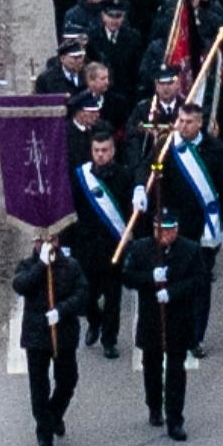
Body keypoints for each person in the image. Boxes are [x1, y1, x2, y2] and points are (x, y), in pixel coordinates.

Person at [123, 210, 210, 438]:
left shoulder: (190, 250)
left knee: (176, 371)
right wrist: (150, 278)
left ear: (176, 230)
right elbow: (128, 277)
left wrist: (172, 292)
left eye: (168, 230)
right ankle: (154, 406)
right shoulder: (141, 248)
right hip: (151, 319)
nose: (163, 235)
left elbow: (199, 281)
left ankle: (175, 419)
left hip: (178, 319)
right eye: (159, 230)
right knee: (151, 366)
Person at [161, 101, 223, 356]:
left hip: (205, 227)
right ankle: (174, 330)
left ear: (200, 123)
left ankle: (196, 336)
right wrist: (142, 186)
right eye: (180, 121)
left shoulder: (215, 149)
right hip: (176, 227)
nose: (182, 126)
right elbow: (149, 169)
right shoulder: (169, 147)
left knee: (200, 284)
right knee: (174, 280)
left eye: (188, 122)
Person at [13, 234, 89, 446]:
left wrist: (62, 310)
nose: (46, 244)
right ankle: (44, 433)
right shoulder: (27, 265)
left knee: (67, 381)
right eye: (40, 240)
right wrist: (41, 266)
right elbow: (20, 285)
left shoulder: (70, 266)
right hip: (36, 336)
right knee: (39, 388)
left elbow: (82, 293)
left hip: (63, 334)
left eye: (51, 240)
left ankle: (54, 414)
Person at [69, 125, 133, 355]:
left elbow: (129, 213)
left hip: (113, 247)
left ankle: (109, 340)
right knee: (86, 297)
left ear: (113, 151)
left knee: (113, 297)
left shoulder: (125, 176)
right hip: (86, 248)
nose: (100, 155)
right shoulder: (81, 177)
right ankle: (94, 322)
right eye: (96, 150)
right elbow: (71, 212)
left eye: (105, 150)